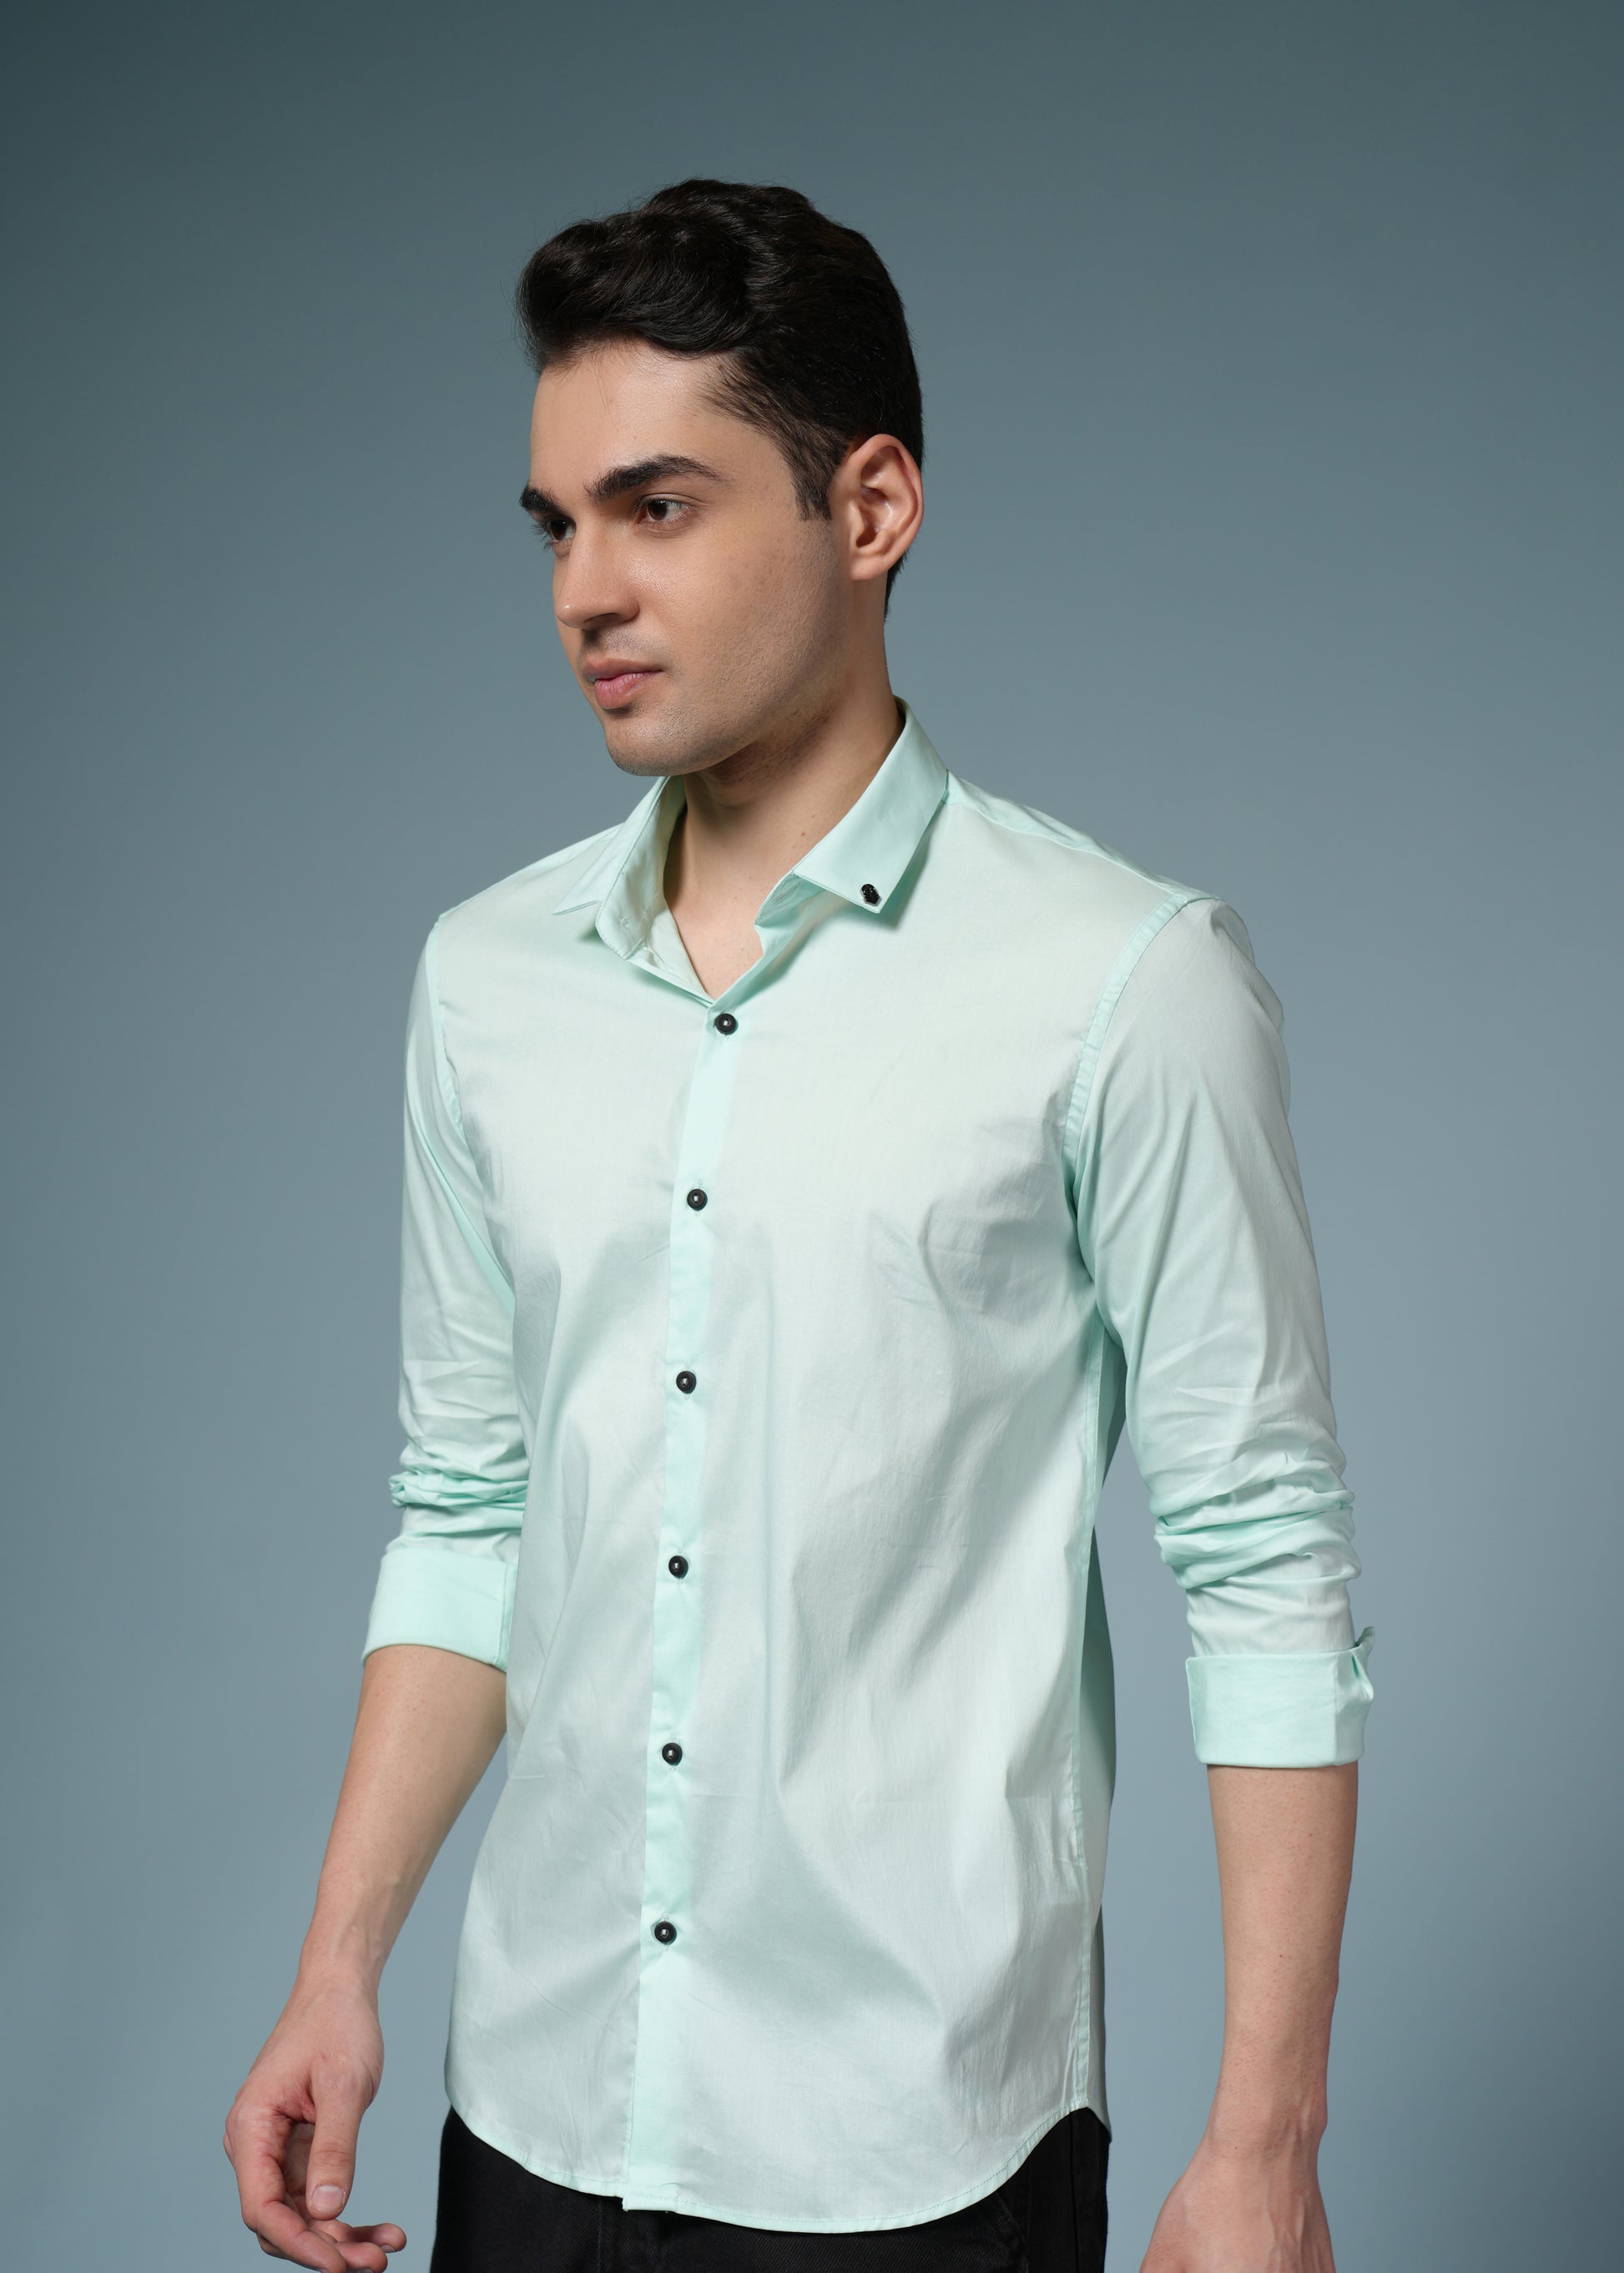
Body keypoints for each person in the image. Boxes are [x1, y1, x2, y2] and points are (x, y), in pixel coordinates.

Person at [224, 178, 1374, 2273]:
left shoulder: (1126, 980)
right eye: (555, 526)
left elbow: (1265, 1562)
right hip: (536, 2107)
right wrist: (337, 1965)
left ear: (871, 509)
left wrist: (1265, 2141)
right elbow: (471, 1507)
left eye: (656, 508)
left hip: (917, 2148)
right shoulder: (483, 980)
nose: (586, 590)